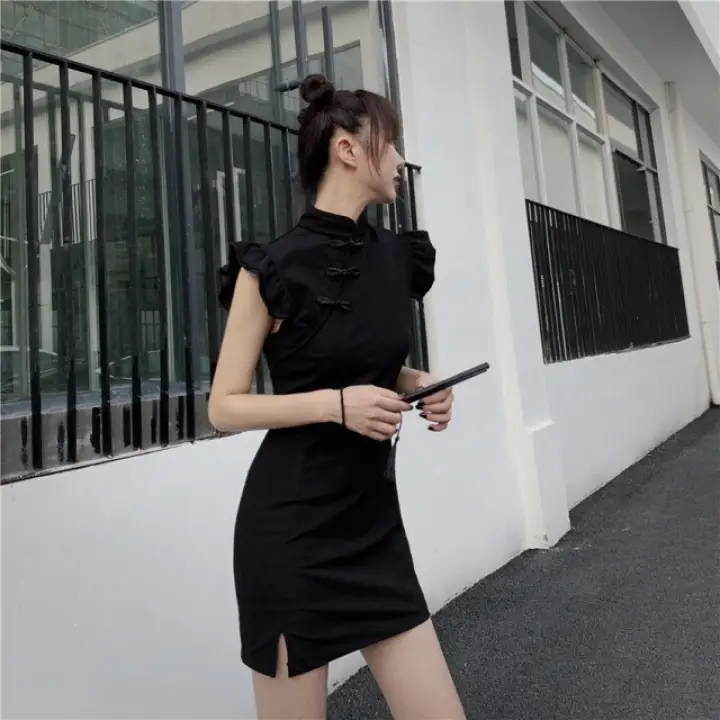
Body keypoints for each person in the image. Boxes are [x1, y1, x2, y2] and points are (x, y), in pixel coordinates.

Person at [208, 74, 466, 720]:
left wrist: (414, 381)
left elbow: (361, 358)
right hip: (291, 532)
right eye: (390, 142)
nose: (399, 159)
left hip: (372, 525)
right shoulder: (271, 267)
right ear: (347, 150)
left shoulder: (397, 258)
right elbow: (224, 406)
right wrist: (337, 405)